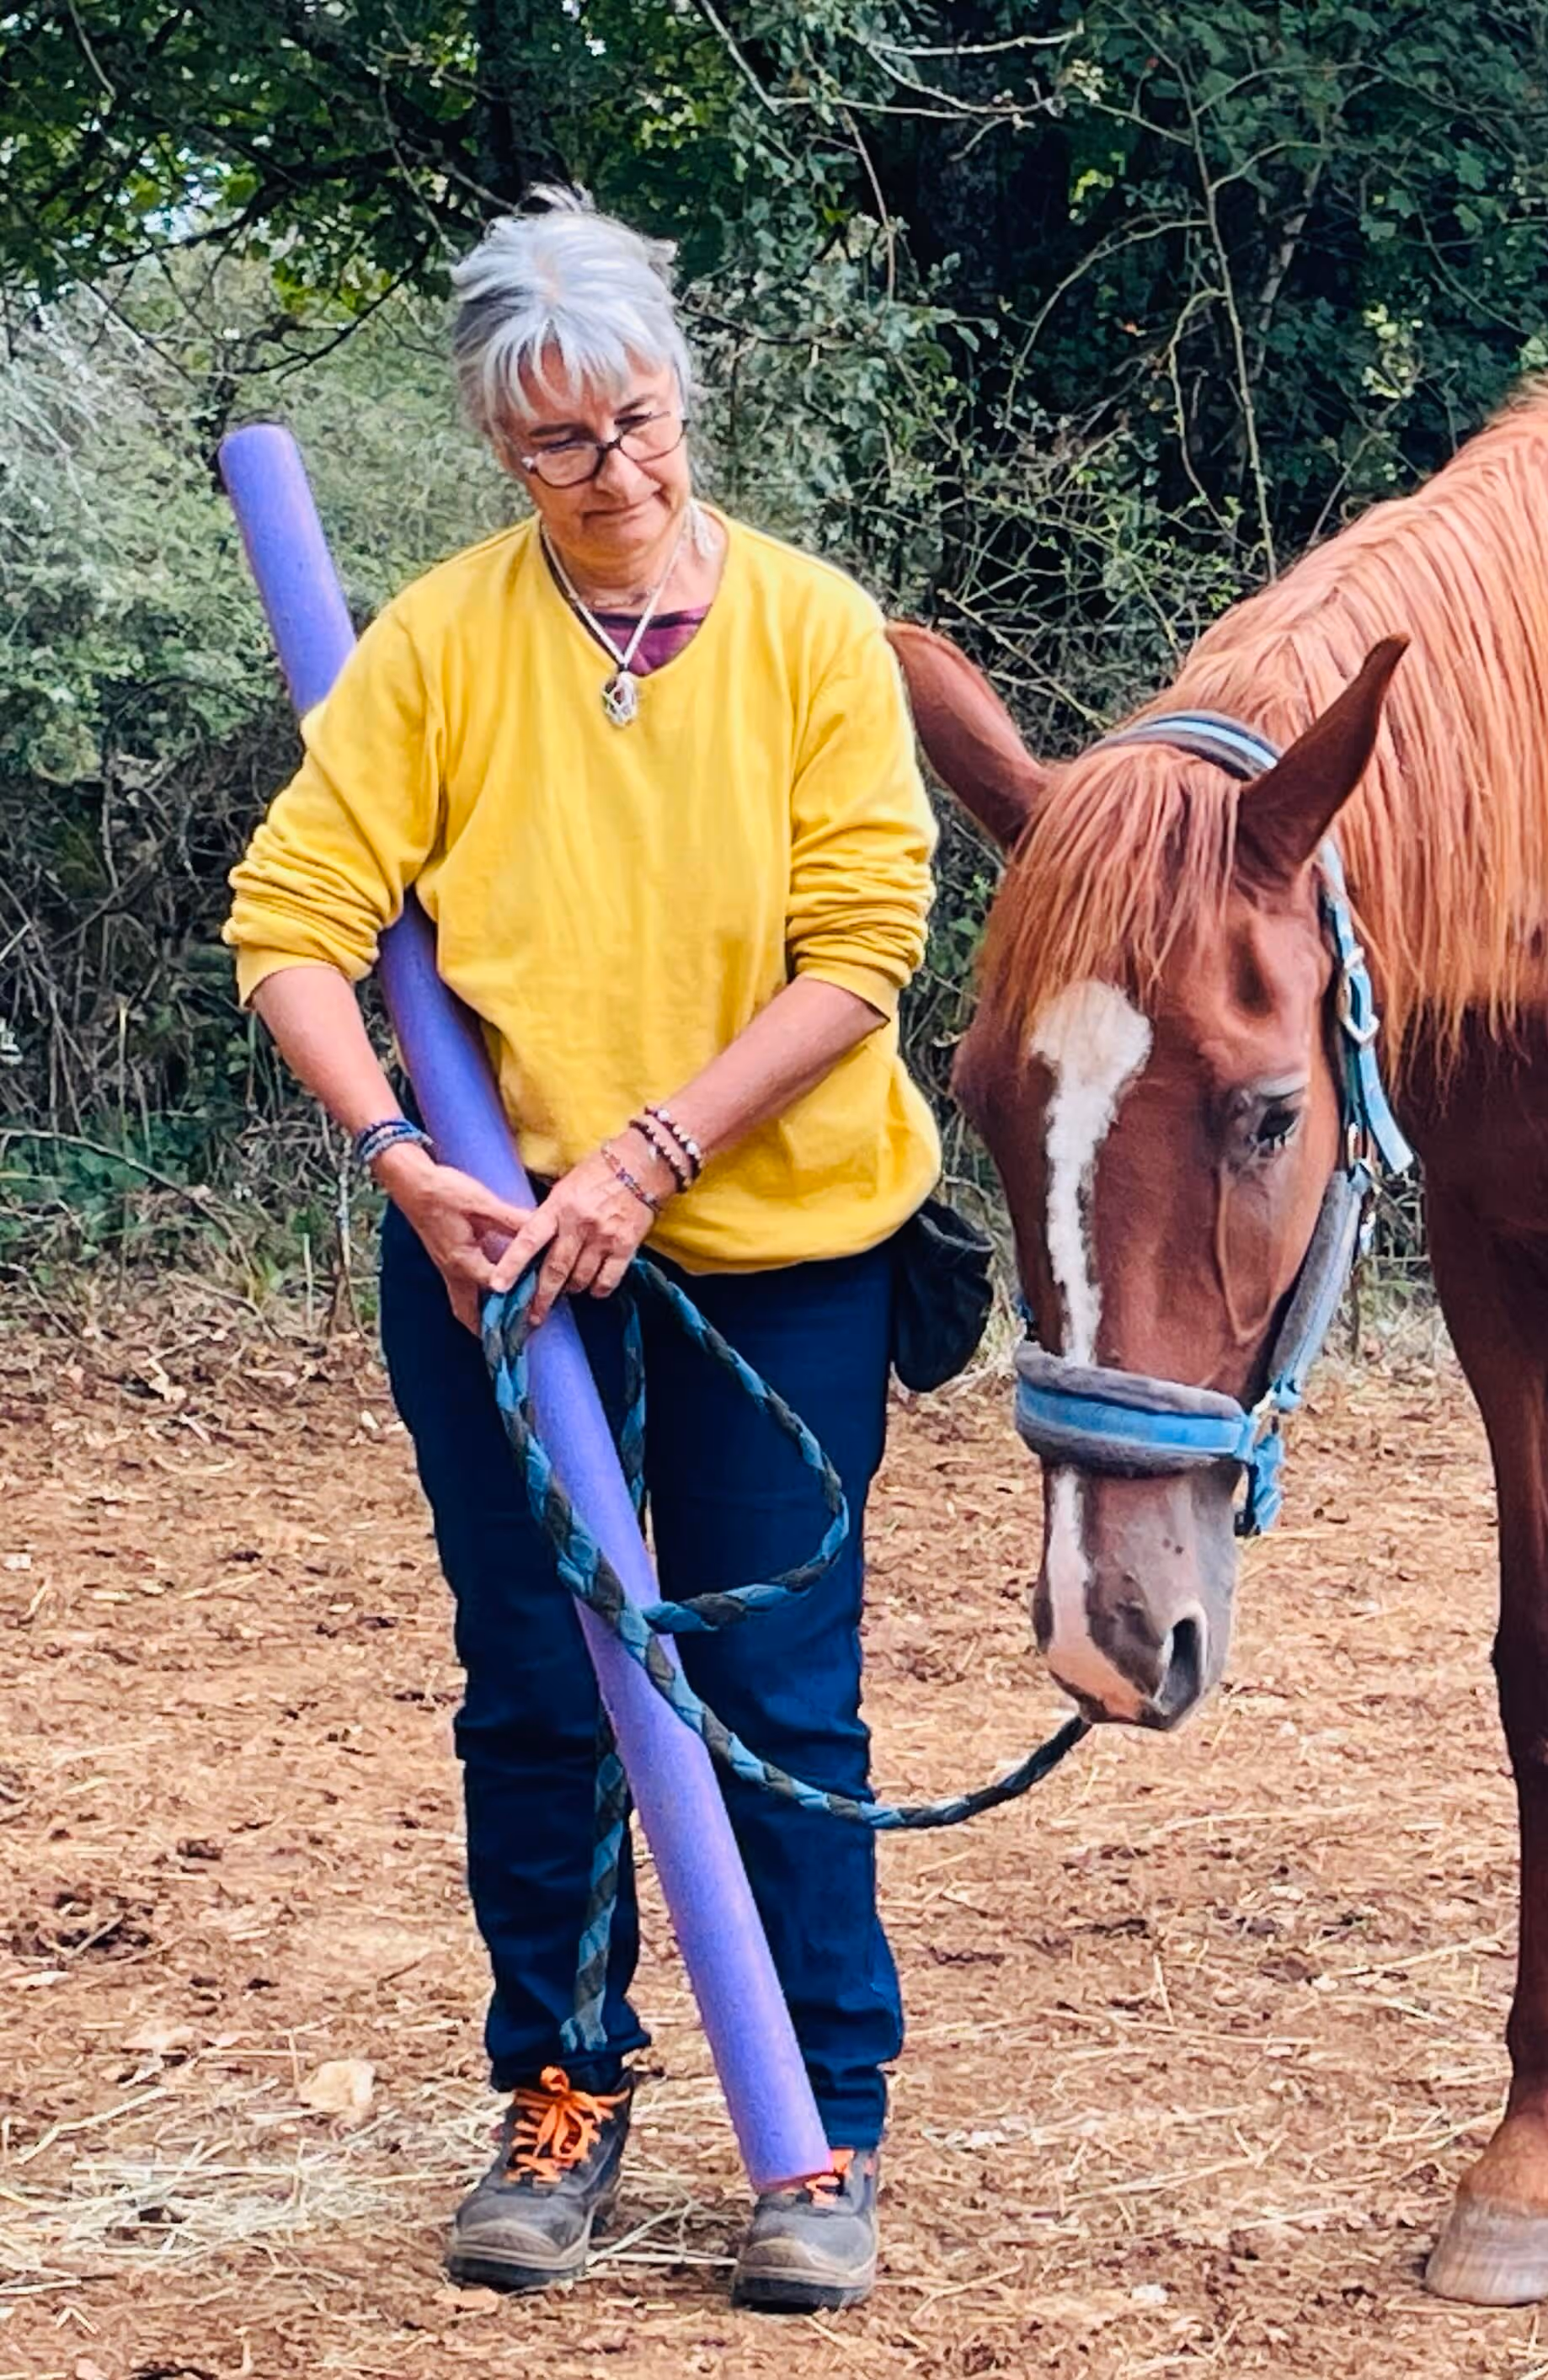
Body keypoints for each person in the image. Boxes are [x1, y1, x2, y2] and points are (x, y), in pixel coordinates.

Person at [223, 189, 939, 2312]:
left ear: (680, 393)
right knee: (540, 1686)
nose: (615, 475)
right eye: (559, 448)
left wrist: (646, 1155)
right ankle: (558, 2086)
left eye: (637, 422)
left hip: (779, 1247)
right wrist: (395, 1156)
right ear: (496, 456)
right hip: (496, 1267)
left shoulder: (814, 632)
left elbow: (861, 953)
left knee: (770, 1688)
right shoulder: (442, 646)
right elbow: (293, 923)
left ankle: (823, 2130)